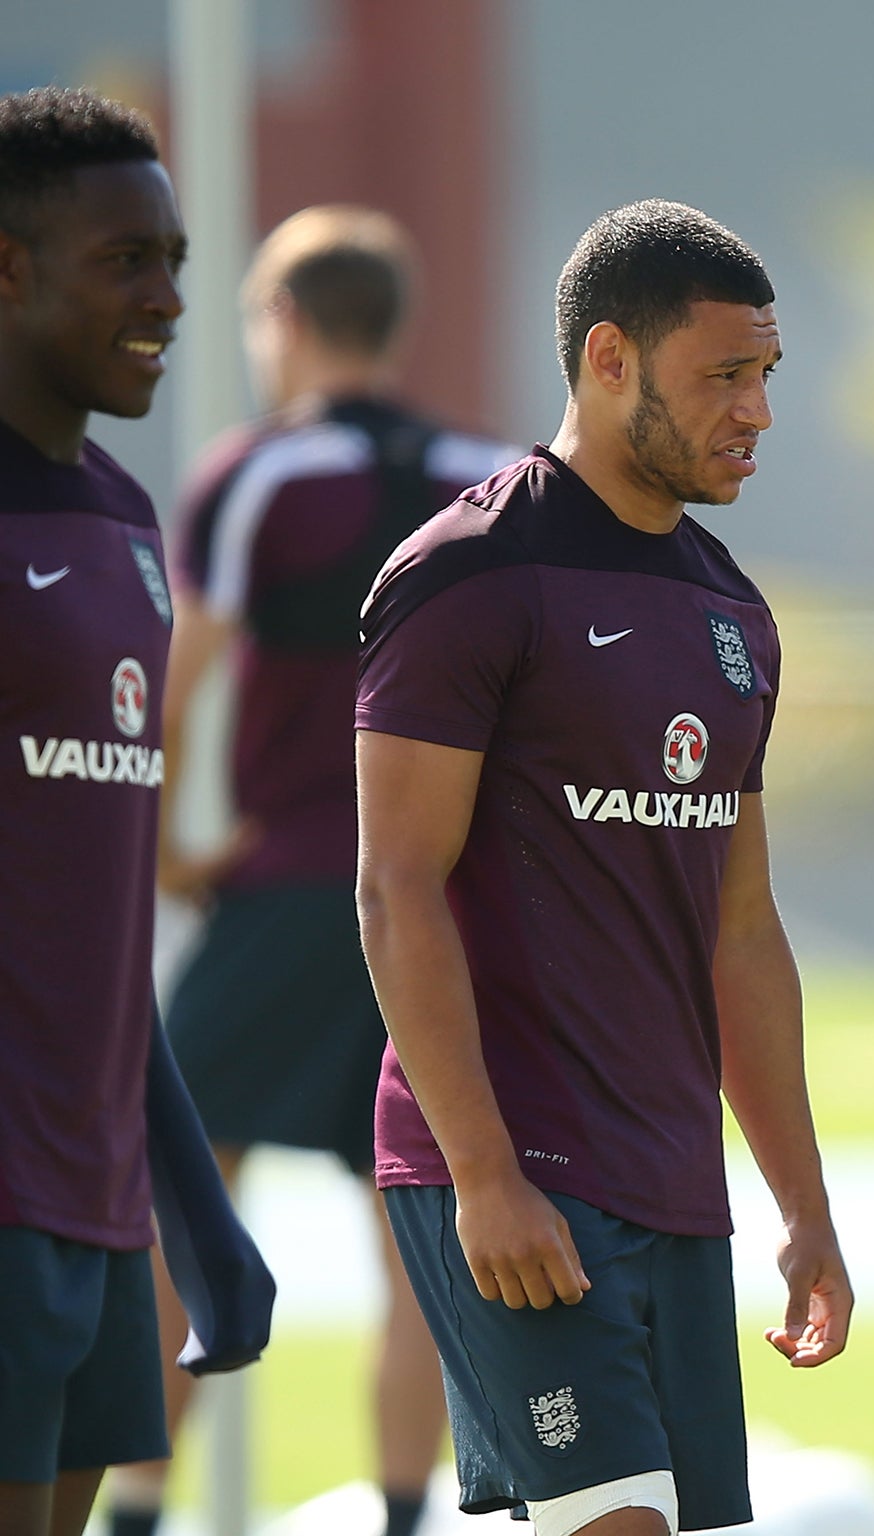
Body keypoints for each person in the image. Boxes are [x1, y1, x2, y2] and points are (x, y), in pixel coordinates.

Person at [355, 199, 851, 1536]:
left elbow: (741, 933)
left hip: (676, 1184)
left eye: (766, 377)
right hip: (522, 1168)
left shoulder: (733, 612)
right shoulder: (467, 574)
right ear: (611, 360)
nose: (755, 410)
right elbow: (393, 888)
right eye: (723, 377)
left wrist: (800, 1210)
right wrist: (483, 1174)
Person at [105, 205, 518, 1536]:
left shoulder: (257, 474)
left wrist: (168, 848)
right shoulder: (492, 474)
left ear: (280, 321)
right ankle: (408, 1517)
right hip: (443, 909)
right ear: (391, 323)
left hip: (293, 884)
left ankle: (131, 1512)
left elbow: (178, 678)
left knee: (182, 1191)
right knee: (414, 1224)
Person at [0, 85, 270, 1536]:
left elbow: (98, 940)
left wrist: (189, 1201)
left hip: (96, 1208)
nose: (170, 298)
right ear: (8, 267)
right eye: (127, 262)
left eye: (175, 259)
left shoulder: (121, 521)